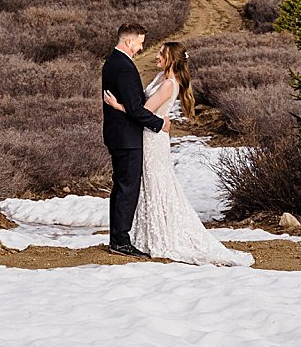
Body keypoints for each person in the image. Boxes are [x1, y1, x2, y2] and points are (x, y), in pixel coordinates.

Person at [103, 39, 253, 266]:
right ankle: (147, 235)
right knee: (149, 185)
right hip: (148, 134)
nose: (156, 57)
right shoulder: (159, 79)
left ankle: (164, 234)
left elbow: (142, 111)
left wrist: (117, 106)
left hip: (153, 139)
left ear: (171, 58)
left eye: (161, 54)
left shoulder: (168, 84)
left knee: (158, 184)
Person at [101, 22, 162, 257]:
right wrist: (159, 124)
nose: (141, 47)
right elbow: (136, 109)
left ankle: (117, 238)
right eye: (140, 42)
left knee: (121, 188)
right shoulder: (124, 67)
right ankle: (120, 242)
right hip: (127, 137)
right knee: (128, 189)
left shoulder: (112, 62)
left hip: (118, 135)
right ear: (129, 41)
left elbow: (130, 104)